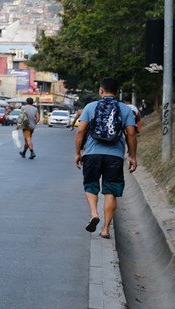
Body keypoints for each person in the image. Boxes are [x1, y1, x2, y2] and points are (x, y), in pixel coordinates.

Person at [75, 77, 138, 239]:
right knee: (111, 192)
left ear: (101, 91)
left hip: (92, 154)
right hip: (115, 157)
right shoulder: (125, 109)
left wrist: (77, 153)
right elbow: (131, 133)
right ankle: (105, 229)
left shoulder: (91, 106)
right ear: (117, 92)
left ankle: (94, 213)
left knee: (91, 186)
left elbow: (80, 131)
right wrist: (132, 156)